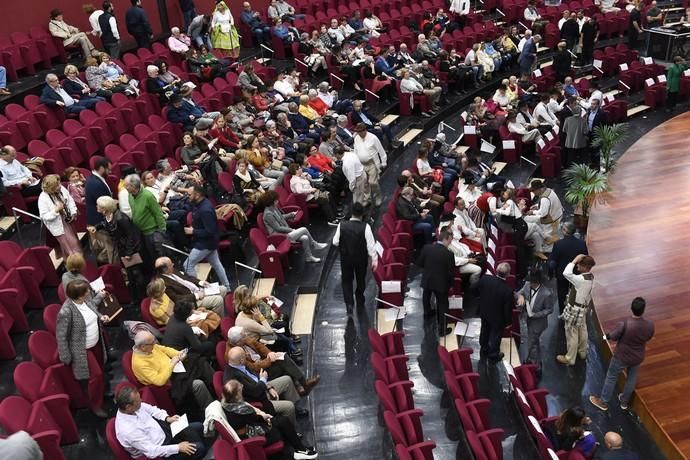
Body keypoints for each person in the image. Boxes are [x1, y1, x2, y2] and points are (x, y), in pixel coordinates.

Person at [221, 380, 318, 460]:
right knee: (283, 422)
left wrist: (262, 415)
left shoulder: (228, 404)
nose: (242, 386)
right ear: (237, 395)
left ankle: (300, 448)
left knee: (282, 421)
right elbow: (256, 418)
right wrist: (264, 416)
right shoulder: (241, 411)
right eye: (240, 389)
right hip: (255, 435)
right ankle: (300, 450)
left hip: (252, 427)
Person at [589, 297, 654, 412]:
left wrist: (605, 337)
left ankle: (603, 402)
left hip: (621, 356)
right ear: (643, 310)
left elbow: (613, 336)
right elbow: (648, 337)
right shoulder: (649, 325)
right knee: (632, 377)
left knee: (611, 376)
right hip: (638, 356)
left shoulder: (625, 324)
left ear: (631, 308)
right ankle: (624, 402)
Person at [56, 279, 110, 418]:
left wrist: (101, 317)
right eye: (86, 291)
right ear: (79, 295)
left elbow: (92, 309)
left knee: (101, 369)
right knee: (95, 376)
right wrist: (66, 357)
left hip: (96, 342)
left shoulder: (85, 301)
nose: (89, 292)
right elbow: (61, 336)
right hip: (82, 350)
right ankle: (95, 405)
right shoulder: (66, 312)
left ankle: (101, 394)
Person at [132, 330, 214, 412]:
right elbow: (159, 381)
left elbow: (165, 349)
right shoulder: (139, 363)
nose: (155, 344)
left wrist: (178, 354)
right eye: (152, 343)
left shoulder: (149, 347)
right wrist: (172, 364)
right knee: (198, 384)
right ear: (143, 347)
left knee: (200, 361)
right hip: (170, 383)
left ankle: (216, 388)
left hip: (175, 369)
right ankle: (210, 409)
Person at [114, 385, 206, 459]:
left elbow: (153, 410)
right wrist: (178, 447)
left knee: (199, 427)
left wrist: (167, 418)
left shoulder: (133, 407)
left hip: (163, 430)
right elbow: (151, 451)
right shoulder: (128, 431)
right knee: (199, 448)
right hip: (161, 450)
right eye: (138, 401)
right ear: (128, 407)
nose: (141, 401)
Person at [223, 346, 304, 426]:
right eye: (245, 355)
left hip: (262, 387)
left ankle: (295, 411)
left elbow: (255, 376)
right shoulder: (235, 377)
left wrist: (268, 387)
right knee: (289, 406)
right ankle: (291, 430)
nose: (247, 355)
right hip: (259, 399)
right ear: (241, 360)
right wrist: (263, 380)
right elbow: (255, 392)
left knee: (287, 380)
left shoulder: (238, 365)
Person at [227, 326, 319, 395]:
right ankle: (301, 384)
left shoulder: (243, 339)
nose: (246, 336)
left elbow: (258, 345)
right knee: (283, 364)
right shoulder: (235, 354)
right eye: (244, 336)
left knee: (283, 358)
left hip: (263, 361)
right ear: (238, 342)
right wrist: (269, 360)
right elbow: (253, 367)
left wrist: (269, 353)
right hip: (259, 373)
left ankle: (300, 384)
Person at [91, 196, 147, 303]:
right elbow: (106, 223)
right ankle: (135, 298)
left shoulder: (121, 218)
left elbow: (131, 235)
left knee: (136, 273)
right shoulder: (109, 215)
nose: (96, 207)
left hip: (131, 249)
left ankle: (142, 298)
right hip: (122, 248)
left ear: (104, 208)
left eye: (98, 205)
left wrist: (129, 252)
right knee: (130, 273)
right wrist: (97, 227)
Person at [332, 202, 377, 313]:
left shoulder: (342, 225)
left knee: (347, 281)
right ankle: (360, 298)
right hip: (361, 259)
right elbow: (371, 246)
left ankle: (349, 303)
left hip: (346, 259)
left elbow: (335, 242)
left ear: (351, 213)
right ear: (362, 214)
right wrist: (374, 259)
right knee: (361, 279)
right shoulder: (365, 227)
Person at [183, 185, 231, 288]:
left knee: (187, 266)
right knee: (217, 264)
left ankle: (199, 288)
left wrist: (193, 231)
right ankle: (227, 287)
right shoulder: (199, 203)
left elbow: (210, 231)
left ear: (198, 194)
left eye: (190, 194)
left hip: (205, 244)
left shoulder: (205, 210)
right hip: (208, 242)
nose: (188, 196)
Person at [260, 191, 328, 263]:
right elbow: (278, 228)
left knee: (305, 238)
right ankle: (315, 244)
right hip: (279, 237)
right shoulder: (268, 214)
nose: (278, 201)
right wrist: (291, 230)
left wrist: (290, 214)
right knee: (304, 229)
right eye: (276, 200)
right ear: (271, 201)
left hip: (285, 232)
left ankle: (309, 257)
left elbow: (281, 217)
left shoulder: (274, 208)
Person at [154, 256, 228, 317]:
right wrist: (196, 296)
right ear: (164, 269)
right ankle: (218, 322)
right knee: (218, 300)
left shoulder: (172, 270)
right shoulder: (162, 283)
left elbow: (188, 277)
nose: (173, 264)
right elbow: (176, 299)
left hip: (198, 289)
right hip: (192, 300)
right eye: (170, 264)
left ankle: (213, 314)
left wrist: (200, 282)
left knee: (223, 289)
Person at [557, 254, 596, 366]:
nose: (577, 265)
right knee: (582, 330)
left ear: (585, 267)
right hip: (583, 308)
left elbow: (566, 273)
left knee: (571, 333)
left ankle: (570, 358)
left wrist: (574, 260)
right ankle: (582, 352)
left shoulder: (580, 279)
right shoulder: (591, 277)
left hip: (574, 309)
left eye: (580, 264)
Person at [419, 228, 456, 335]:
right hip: (441, 283)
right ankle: (442, 329)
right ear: (446, 239)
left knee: (426, 295)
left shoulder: (427, 248)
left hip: (428, 279)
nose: (450, 243)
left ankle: (427, 313)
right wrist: (451, 285)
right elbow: (450, 273)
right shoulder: (449, 254)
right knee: (443, 304)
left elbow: (420, 263)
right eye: (450, 240)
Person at [125, 174, 169, 260]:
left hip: (153, 232)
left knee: (160, 257)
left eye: (127, 185)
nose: (125, 187)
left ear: (134, 186)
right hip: (141, 232)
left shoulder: (147, 196)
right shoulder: (130, 195)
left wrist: (162, 231)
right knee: (152, 257)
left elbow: (158, 213)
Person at [516, 272, 554, 370]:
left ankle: (533, 363)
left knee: (531, 342)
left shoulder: (547, 294)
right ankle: (535, 361)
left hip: (538, 322)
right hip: (527, 318)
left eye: (532, 282)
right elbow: (520, 293)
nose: (529, 283)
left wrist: (535, 315)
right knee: (534, 341)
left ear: (537, 283)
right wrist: (521, 296)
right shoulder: (527, 284)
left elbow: (549, 309)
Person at [477, 262, 514, 361]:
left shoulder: (485, 279)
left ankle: (484, 348)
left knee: (484, 329)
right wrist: (508, 322)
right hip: (498, 318)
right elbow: (507, 309)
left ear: (496, 270)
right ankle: (493, 355)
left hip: (484, 311)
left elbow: (474, 289)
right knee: (495, 336)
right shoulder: (508, 290)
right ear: (508, 274)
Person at [548, 222, 588, 312]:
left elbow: (553, 261)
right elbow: (585, 258)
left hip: (562, 274)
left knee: (562, 294)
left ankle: (563, 312)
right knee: (575, 293)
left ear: (565, 231)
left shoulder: (558, 244)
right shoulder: (582, 243)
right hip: (576, 274)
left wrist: (550, 274)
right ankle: (573, 310)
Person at [39, 174, 81, 257]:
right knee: (71, 248)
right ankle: (75, 264)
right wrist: (56, 211)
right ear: (51, 188)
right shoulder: (43, 198)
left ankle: (76, 262)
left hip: (68, 220)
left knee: (75, 243)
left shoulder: (61, 188)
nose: (59, 186)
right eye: (56, 186)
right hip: (59, 225)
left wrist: (73, 212)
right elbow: (44, 216)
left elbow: (70, 200)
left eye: (59, 184)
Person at [353, 123, 386, 208]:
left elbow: (381, 150)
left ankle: (378, 196)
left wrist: (383, 161)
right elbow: (356, 150)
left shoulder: (373, 138)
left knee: (372, 182)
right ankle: (367, 200)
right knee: (364, 183)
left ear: (365, 130)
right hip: (361, 164)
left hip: (372, 163)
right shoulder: (356, 138)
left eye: (360, 132)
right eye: (358, 132)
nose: (359, 133)